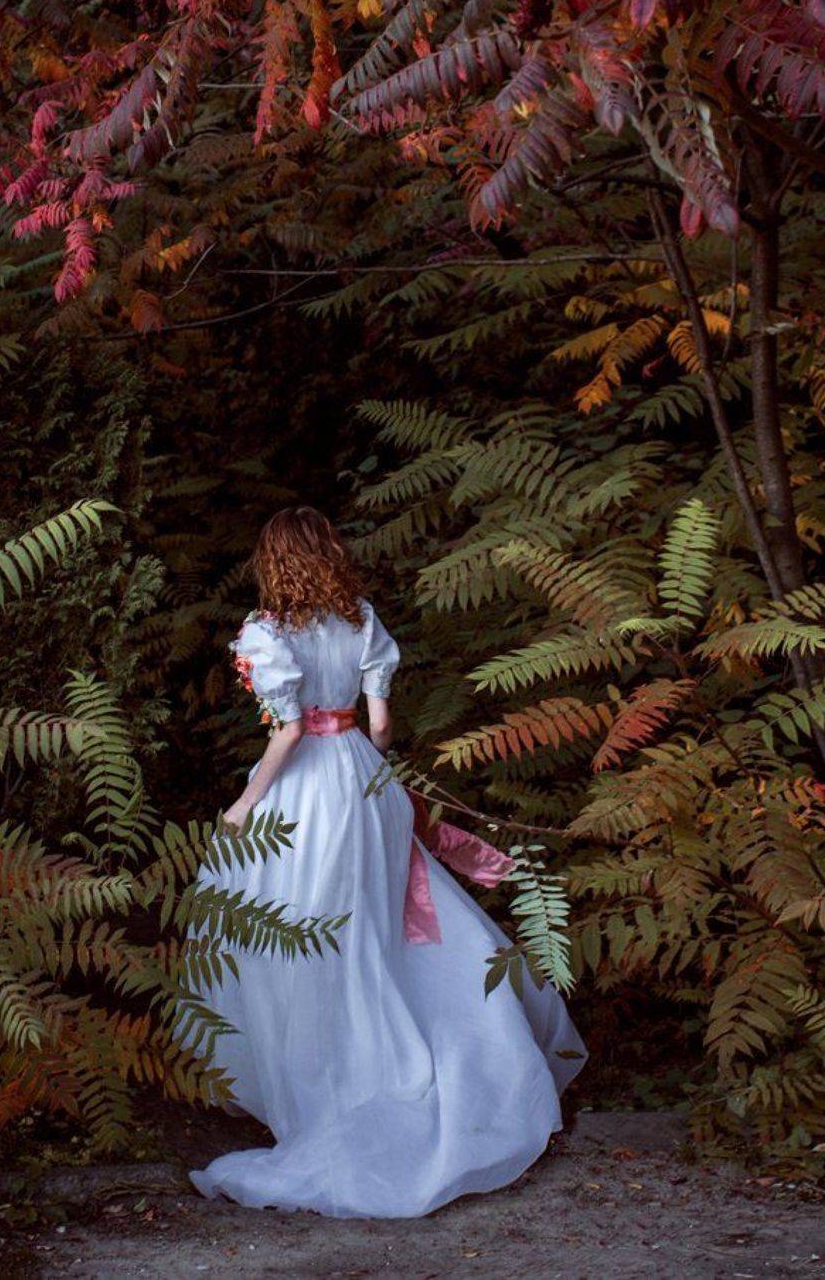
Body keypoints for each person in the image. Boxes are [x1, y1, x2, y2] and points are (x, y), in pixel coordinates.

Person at [189, 506, 586, 1218]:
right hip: (365, 783)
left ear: (273, 562)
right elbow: (379, 725)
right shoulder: (360, 620)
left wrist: (246, 802)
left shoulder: (266, 633)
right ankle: (435, 1057)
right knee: (375, 928)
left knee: (299, 927)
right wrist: (366, 771)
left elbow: (287, 730)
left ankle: (322, 1080)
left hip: (303, 790)